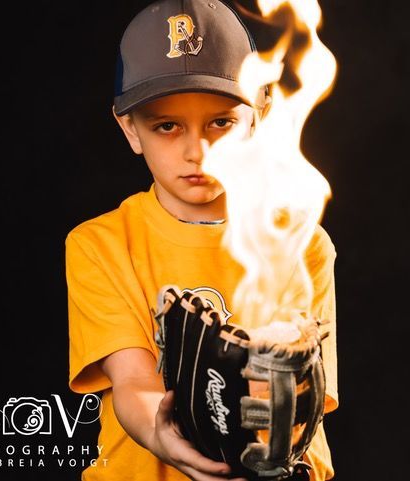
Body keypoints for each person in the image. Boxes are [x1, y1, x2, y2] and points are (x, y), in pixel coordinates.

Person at [65, 1, 339, 480]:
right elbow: (131, 379)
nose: (198, 151)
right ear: (130, 129)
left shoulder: (301, 243)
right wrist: (163, 432)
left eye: (221, 122)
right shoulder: (101, 244)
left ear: (259, 115)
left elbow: (298, 401)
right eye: (167, 126)